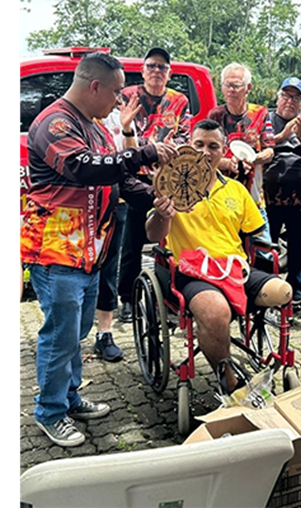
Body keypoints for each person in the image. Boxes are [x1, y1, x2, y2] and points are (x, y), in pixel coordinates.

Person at [19, 51, 177, 447]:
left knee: (77, 332)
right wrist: (145, 152)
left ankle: (69, 396)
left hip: (90, 253)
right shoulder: (54, 123)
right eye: (117, 93)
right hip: (57, 255)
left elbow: (116, 179)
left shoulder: (93, 127)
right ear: (95, 86)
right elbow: (84, 168)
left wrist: (156, 195)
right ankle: (50, 411)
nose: (120, 101)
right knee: (60, 336)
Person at [145, 119, 292, 394]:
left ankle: (281, 363)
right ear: (189, 147)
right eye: (198, 144)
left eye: (213, 146)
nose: (205, 151)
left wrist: (270, 251)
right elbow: (153, 234)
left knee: (283, 291)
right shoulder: (174, 186)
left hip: (234, 267)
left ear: (223, 151)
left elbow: (256, 234)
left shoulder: (236, 189)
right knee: (215, 311)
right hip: (190, 271)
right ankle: (230, 382)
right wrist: (164, 214)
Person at [116, 47, 192, 324]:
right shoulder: (128, 96)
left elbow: (184, 136)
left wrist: (160, 149)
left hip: (168, 178)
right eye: (151, 66)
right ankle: (127, 299)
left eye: (162, 67)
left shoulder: (179, 100)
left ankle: (169, 295)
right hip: (134, 178)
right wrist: (153, 148)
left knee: (168, 239)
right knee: (132, 242)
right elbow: (121, 134)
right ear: (143, 70)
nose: (156, 71)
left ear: (169, 73)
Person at [89, 94, 143, 362]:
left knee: (110, 267)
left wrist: (126, 127)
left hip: (115, 203)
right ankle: (72, 334)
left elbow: (131, 164)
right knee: (81, 274)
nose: (114, 99)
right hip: (81, 211)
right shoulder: (74, 123)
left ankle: (104, 333)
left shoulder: (112, 122)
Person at [263, 77, 301, 308]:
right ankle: (268, 289)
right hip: (269, 199)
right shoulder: (266, 119)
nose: (290, 101)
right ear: (277, 98)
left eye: (295, 97)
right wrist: (284, 135)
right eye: (286, 96)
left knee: (300, 249)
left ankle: (295, 292)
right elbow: (258, 146)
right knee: (266, 247)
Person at [207, 62, 275, 246]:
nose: (231, 90)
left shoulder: (260, 113)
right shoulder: (215, 115)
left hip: (252, 197)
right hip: (220, 196)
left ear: (248, 88)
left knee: (263, 250)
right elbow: (205, 155)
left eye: (236, 85)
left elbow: (269, 150)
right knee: (223, 247)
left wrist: (253, 158)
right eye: (227, 85)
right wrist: (228, 163)